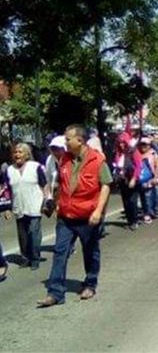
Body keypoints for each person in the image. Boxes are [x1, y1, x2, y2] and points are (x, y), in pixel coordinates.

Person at [37, 124, 112, 307]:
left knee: (90, 252)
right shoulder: (64, 159)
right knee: (60, 252)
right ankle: (55, 293)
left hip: (87, 216)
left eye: (68, 138)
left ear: (80, 140)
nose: (65, 142)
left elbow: (106, 185)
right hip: (66, 217)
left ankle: (90, 283)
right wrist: (54, 204)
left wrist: (98, 211)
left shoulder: (97, 160)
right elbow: (61, 185)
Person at [5, 143, 47, 270]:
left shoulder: (36, 167)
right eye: (15, 152)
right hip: (19, 206)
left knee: (34, 232)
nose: (17, 154)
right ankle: (26, 258)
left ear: (27, 154)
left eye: (20, 152)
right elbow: (6, 190)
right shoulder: (9, 170)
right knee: (22, 235)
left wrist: (47, 201)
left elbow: (44, 185)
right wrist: (7, 208)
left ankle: (35, 258)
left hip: (34, 205)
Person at [113, 132, 142, 231]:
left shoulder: (133, 151)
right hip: (122, 180)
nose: (121, 144)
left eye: (123, 142)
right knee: (125, 201)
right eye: (119, 142)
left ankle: (134, 221)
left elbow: (138, 166)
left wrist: (134, 178)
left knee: (132, 201)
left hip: (132, 178)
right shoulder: (118, 153)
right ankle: (130, 221)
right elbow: (117, 166)